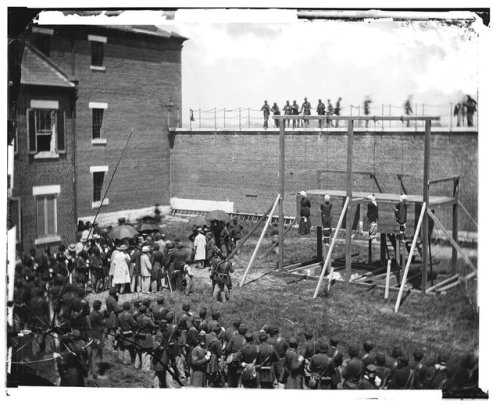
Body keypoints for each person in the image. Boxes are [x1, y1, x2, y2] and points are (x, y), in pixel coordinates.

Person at [87, 299, 106, 379]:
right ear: (98, 306)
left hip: (90, 335)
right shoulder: (97, 315)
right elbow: (104, 322)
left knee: (90, 355)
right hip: (96, 336)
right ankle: (96, 373)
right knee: (96, 355)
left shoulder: (91, 314)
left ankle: (90, 371)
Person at [117, 301, 137, 365]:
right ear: (129, 307)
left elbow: (119, 325)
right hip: (129, 333)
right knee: (129, 347)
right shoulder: (128, 315)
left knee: (124, 346)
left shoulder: (119, 315)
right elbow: (134, 324)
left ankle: (122, 360)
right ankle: (128, 361)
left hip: (122, 332)